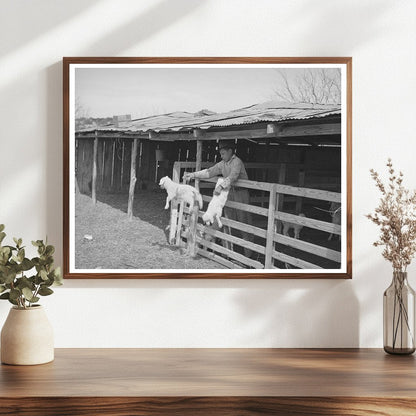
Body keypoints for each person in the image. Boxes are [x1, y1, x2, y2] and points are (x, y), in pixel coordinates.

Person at [183, 141, 253, 257]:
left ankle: (248, 255)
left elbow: (233, 176)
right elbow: (209, 172)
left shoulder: (237, 162)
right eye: (220, 154)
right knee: (227, 220)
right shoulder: (223, 163)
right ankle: (228, 253)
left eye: (223, 153)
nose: (221, 156)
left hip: (241, 194)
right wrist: (194, 174)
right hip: (229, 193)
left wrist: (221, 186)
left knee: (243, 221)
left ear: (230, 151)